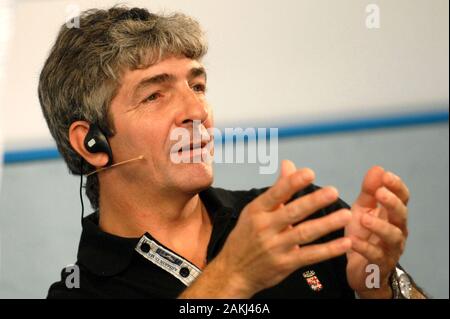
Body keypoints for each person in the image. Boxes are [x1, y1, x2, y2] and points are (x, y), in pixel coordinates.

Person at [38, 6, 426, 299]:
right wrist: (231, 278)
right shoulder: (78, 291)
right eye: (155, 95)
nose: (197, 113)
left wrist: (379, 285)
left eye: (198, 86)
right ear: (91, 143)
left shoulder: (304, 217)